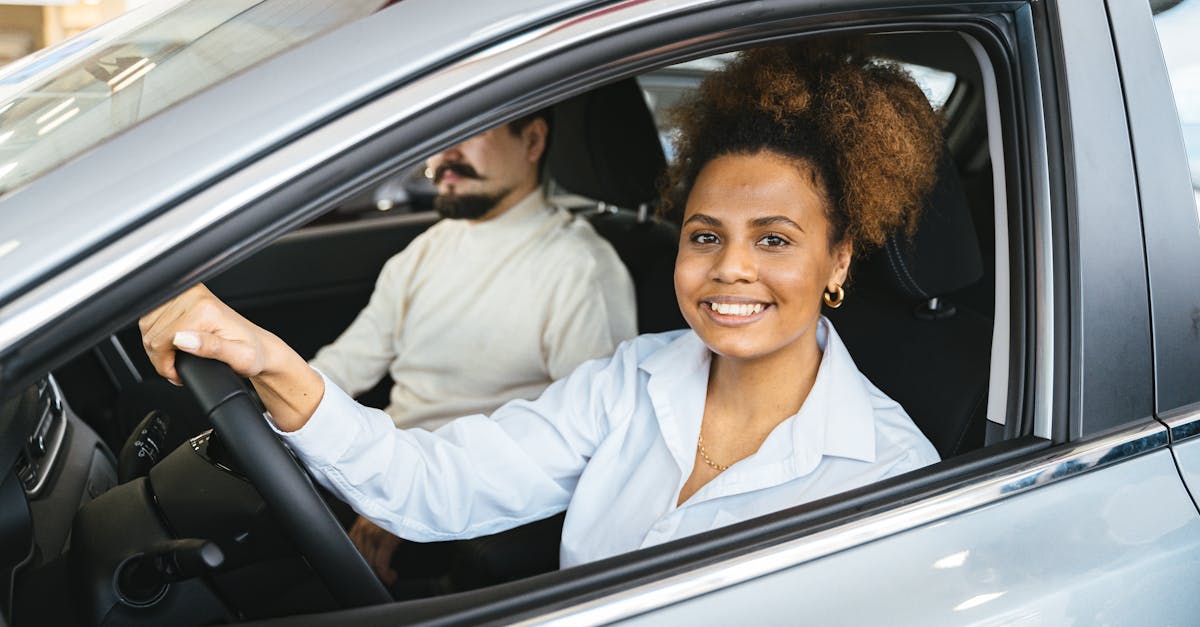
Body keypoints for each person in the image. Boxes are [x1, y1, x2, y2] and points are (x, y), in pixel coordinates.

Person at [139, 41, 942, 573]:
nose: (729, 269)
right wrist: (271, 362)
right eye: (704, 235)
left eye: (773, 240)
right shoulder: (631, 382)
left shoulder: (890, 473)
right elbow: (433, 482)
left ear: (838, 258)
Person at [304, 110, 638, 582]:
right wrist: (274, 405)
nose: (446, 155)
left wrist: (411, 503)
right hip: (379, 470)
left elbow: (591, 440)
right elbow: (347, 364)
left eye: (471, 130)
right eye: (440, 134)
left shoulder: (579, 269)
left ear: (533, 141)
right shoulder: (428, 247)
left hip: (465, 507)